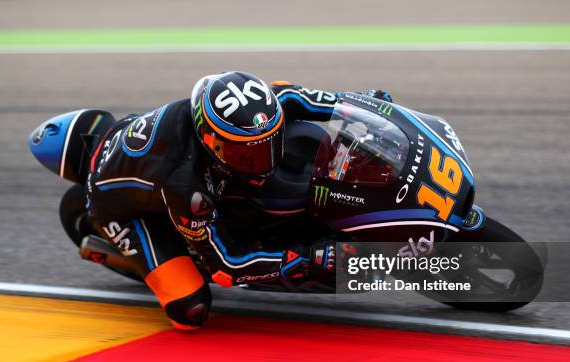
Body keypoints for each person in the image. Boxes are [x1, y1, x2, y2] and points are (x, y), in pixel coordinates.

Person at [86, 71, 391, 330]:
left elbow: (329, 101)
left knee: (285, 88)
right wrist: (305, 258)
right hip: (118, 210)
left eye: (267, 144)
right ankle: (149, 252)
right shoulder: (185, 186)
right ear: (210, 141)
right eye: (243, 153)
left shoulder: (266, 104)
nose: (262, 160)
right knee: (189, 309)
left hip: (150, 154)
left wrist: (367, 105)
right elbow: (227, 267)